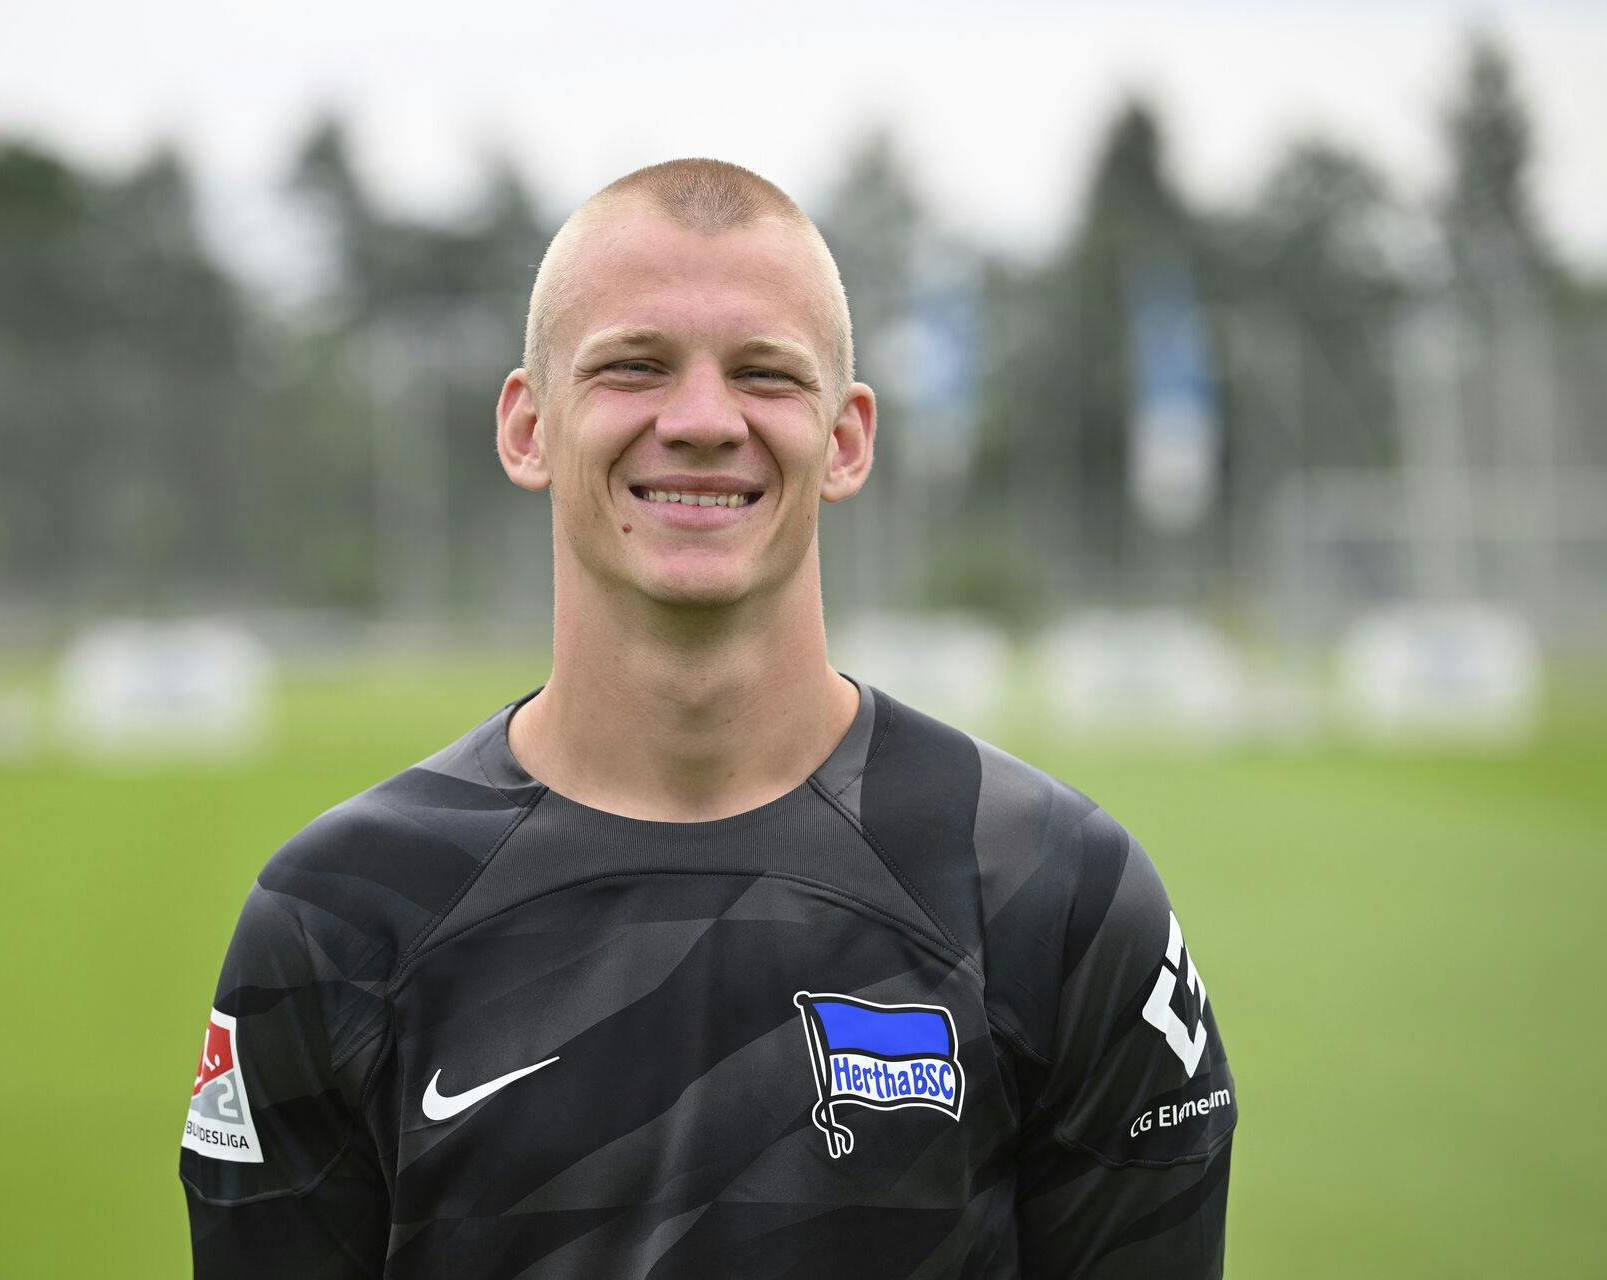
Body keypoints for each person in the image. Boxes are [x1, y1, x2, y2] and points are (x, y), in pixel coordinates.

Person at [180, 158, 1236, 1278]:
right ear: (528, 427)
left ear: (846, 439)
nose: (699, 420)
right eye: (634, 366)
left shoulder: (1055, 893)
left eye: (764, 374)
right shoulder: (335, 919)